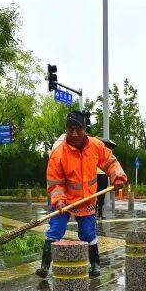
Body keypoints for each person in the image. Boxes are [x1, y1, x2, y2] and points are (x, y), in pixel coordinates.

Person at [36, 110, 127, 279]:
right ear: (66, 129)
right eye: (70, 129)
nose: (75, 133)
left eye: (78, 129)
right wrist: (59, 201)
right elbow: (55, 182)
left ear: (85, 129)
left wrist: (117, 177)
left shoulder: (95, 145)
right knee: (55, 230)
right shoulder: (58, 153)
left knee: (87, 233)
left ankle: (95, 265)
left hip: (87, 200)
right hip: (65, 201)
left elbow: (110, 161)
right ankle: (44, 266)